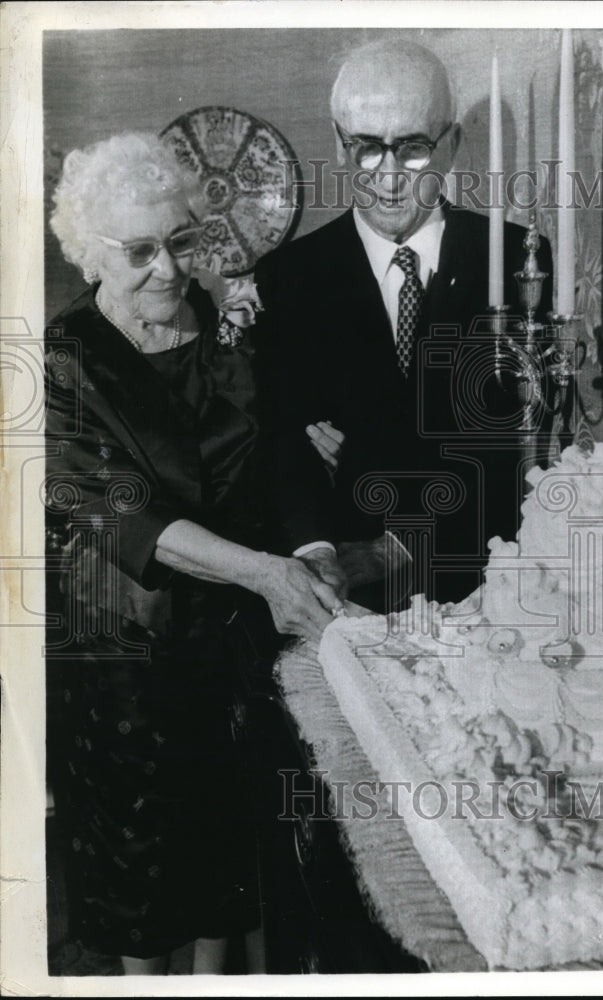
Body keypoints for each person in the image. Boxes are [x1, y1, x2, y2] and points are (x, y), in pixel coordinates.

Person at [45, 132, 342, 975]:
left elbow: (280, 455)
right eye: (139, 251)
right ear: (88, 253)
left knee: (231, 848)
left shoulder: (227, 327)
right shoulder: (61, 364)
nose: (170, 270)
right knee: (142, 862)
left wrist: (311, 550)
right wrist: (263, 570)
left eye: (180, 241)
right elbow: (127, 517)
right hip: (125, 651)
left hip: (234, 641)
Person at [255, 39, 554, 607]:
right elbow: (283, 441)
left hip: (482, 582)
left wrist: (394, 543)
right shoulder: (289, 275)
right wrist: (318, 551)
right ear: (338, 145)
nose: (388, 176)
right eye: (367, 148)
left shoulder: (517, 260)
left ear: (452, 145)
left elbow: (504, 444)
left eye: (413, 148)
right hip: (337, 587)